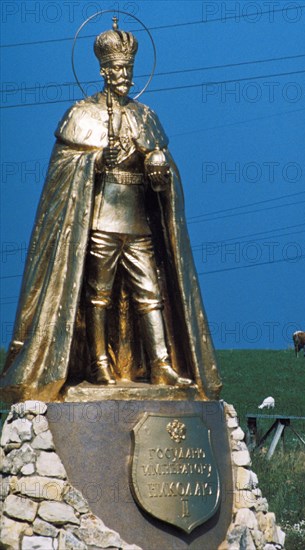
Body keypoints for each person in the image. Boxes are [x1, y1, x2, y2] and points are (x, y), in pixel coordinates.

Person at [1, 27, 222, 403]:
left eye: (128, 69)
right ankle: (99, 362)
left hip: (138, 221)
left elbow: (164, 165)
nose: (125, 77)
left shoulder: (147, 116)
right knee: (98, 296)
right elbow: (63, 171)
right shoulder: (81, 115)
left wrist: (158, 164)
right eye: (118, 70)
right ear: (104, 71)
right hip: (101, 219)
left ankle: (161, 363)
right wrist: (97, 160)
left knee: (150, 294)